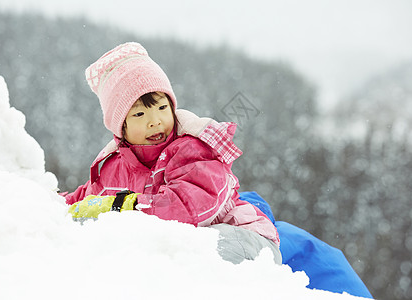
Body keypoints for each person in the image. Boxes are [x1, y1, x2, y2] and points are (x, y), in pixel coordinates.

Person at [64, 42, 282, 265]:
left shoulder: (193, 149)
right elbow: (79, 200)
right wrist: (41, 199)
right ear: (121, 126)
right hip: (187, 246)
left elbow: (187, 209)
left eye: (161, 108)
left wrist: (126, 205)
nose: (155, 121)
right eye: (139, 114)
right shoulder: (113, 169)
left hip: (245, 240)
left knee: (191, 252)